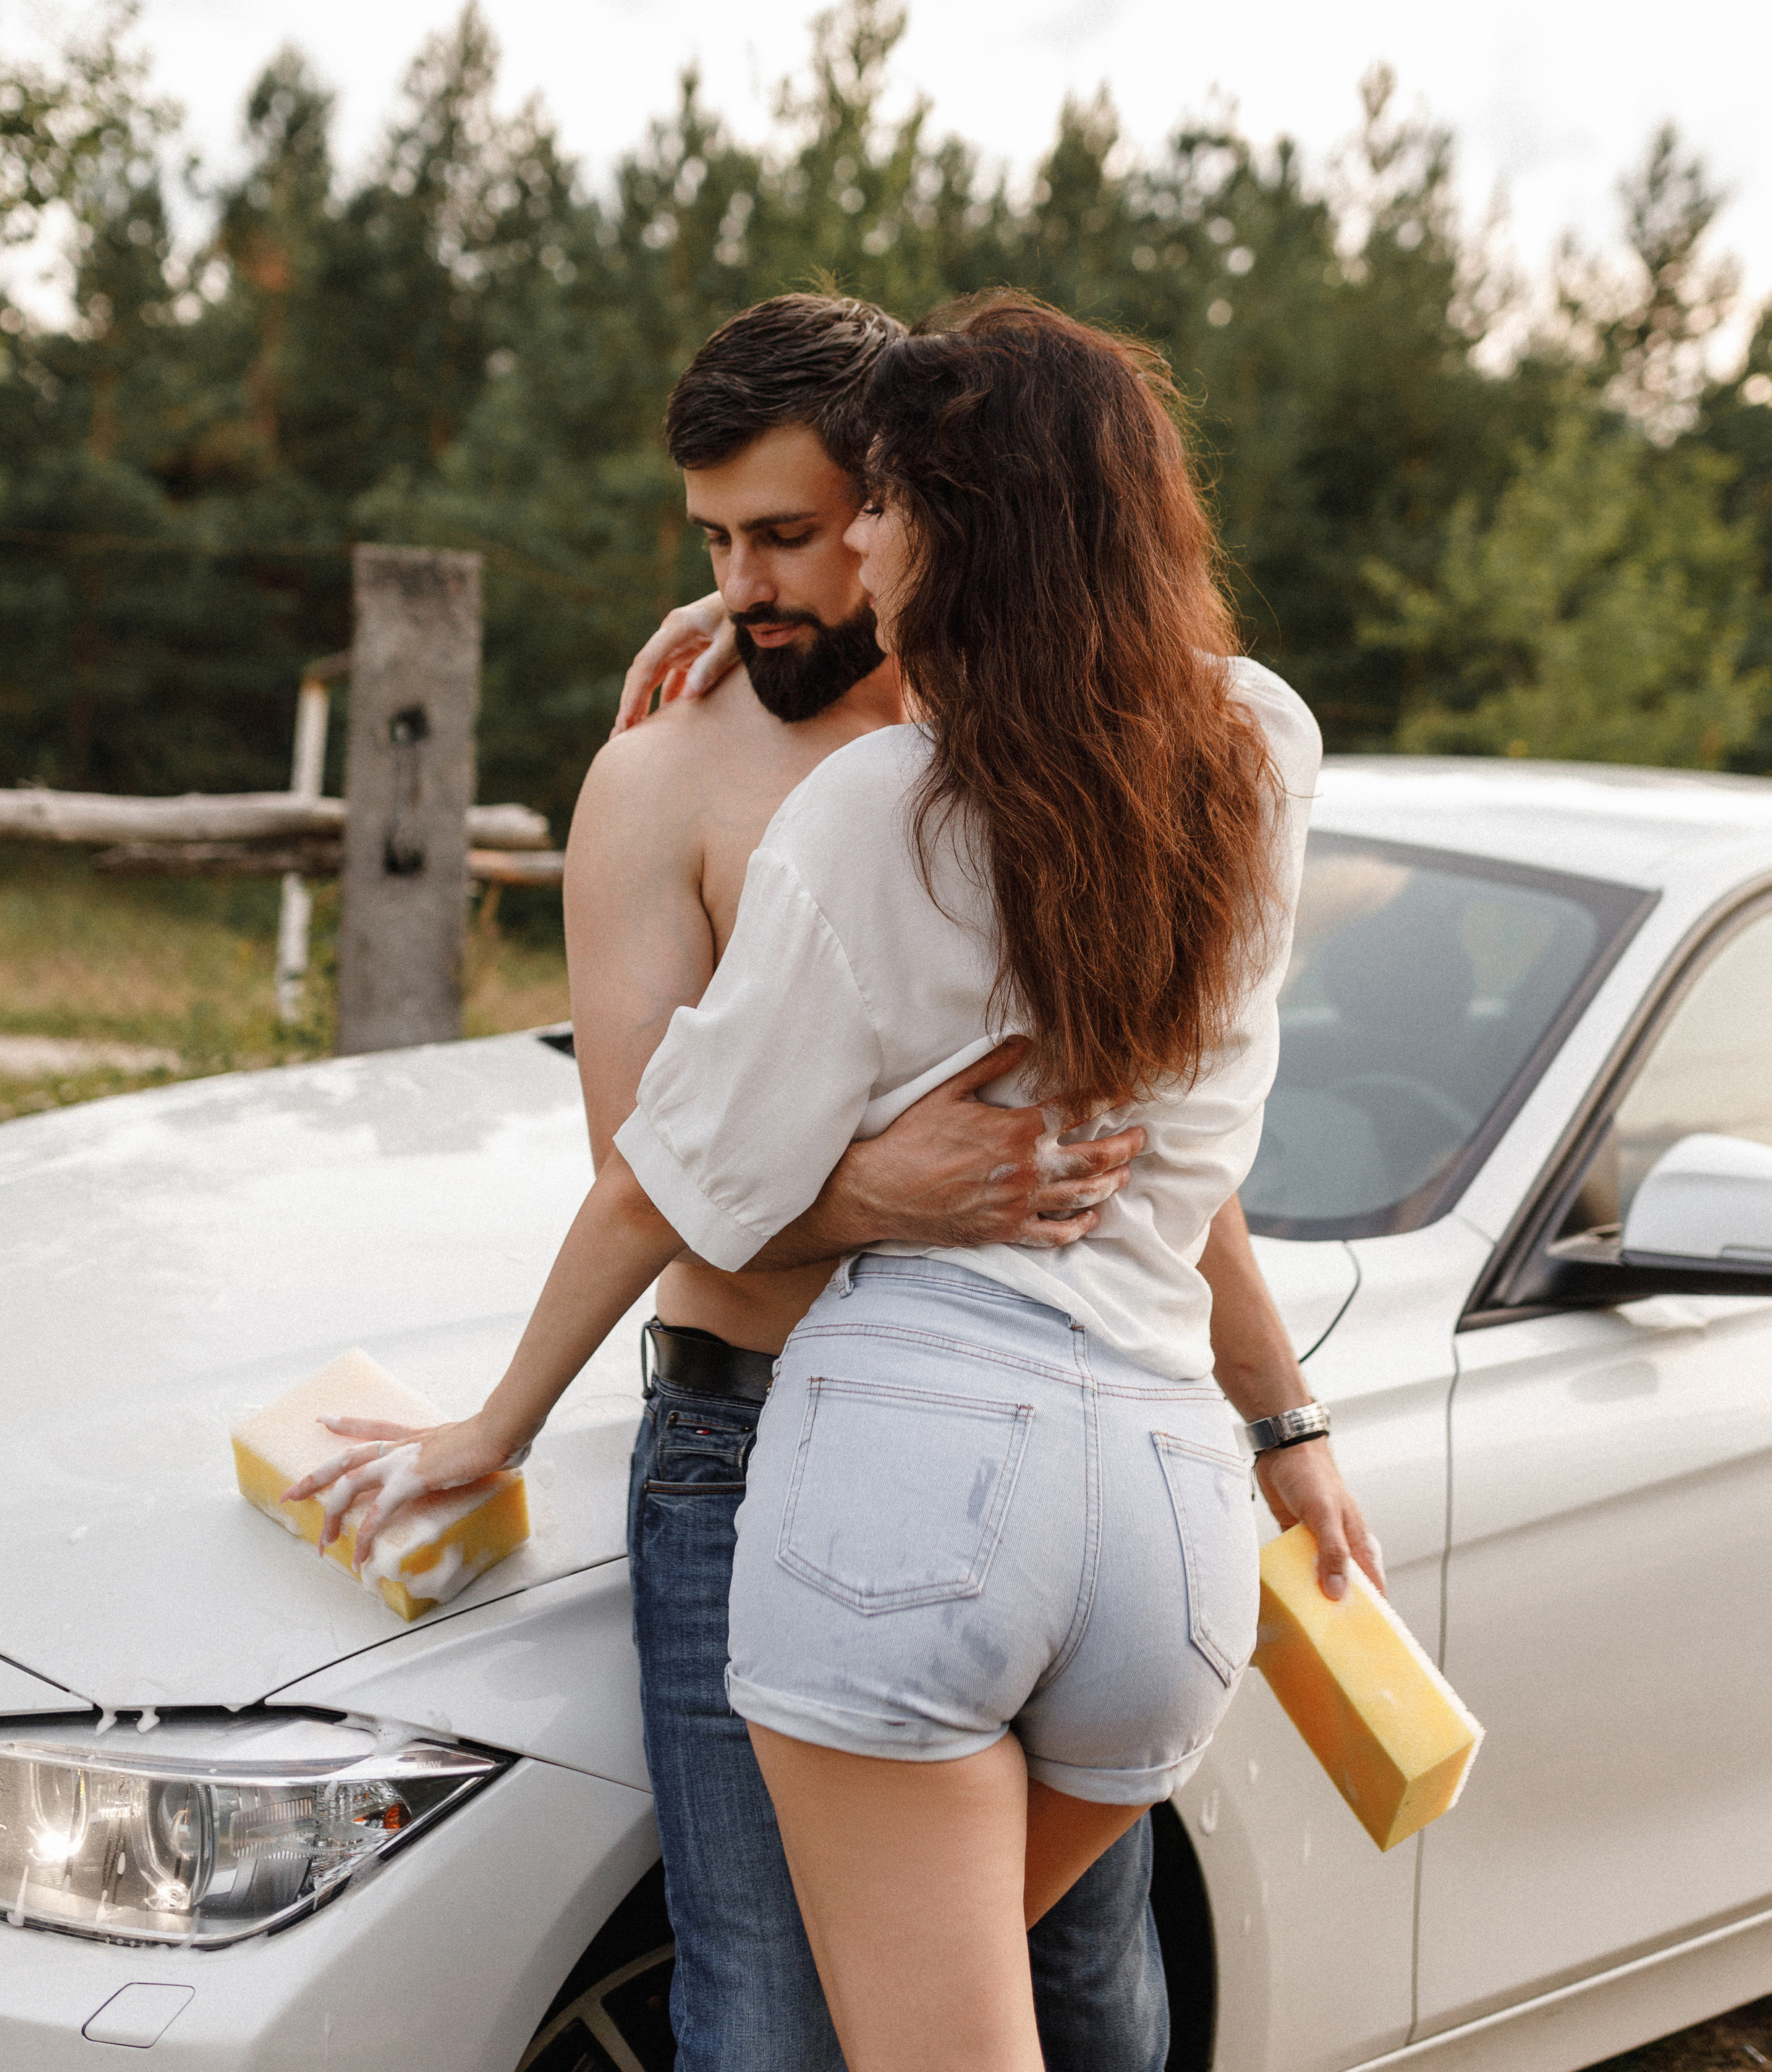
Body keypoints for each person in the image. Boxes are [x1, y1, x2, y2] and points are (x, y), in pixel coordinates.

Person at [290, 295, 1352, 2072]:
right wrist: (885, 1192)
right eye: (713, 545)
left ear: (907, 510)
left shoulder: (1008, 765)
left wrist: (1283, 1409)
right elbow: (656, 1167)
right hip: (763, 1443)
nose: (759, 581)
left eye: (792, 533)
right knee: (782, 2016)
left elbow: (1127, 1146)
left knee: (1094, 1997)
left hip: (1002, 1458)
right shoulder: (668, 777)